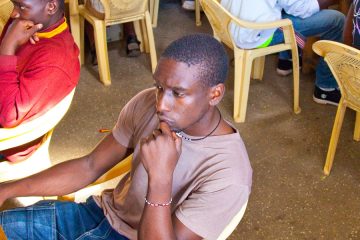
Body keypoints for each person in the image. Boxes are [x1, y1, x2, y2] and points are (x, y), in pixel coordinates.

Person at [0, 33, 252, 240]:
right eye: (160, 87)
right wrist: (8, 188)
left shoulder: (229, 174)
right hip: (96, 213)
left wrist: (161, 179)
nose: (161, 104)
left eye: (178, 93)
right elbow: (90, 165)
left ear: (215, 94)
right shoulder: (146, 103)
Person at [221, 0, 345, 106]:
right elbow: (304, 9)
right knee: (337, 20)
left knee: (283, 7)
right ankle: (325, 87)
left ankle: (285, 61)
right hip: (256, 35)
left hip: (229, 25)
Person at [0, 0, 80, 161]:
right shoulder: (26, 24)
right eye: (14, 4)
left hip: (10, 143)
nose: (14, 13)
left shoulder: (54, 60)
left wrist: (7, 47)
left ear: (51, 7)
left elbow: (8, 117)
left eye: (21, 7)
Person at [85, 0, 141, 65]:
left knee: (85, 6)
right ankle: (131, 36)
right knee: (126, 5)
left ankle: (96, 47)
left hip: (100, 13)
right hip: (132, 7)